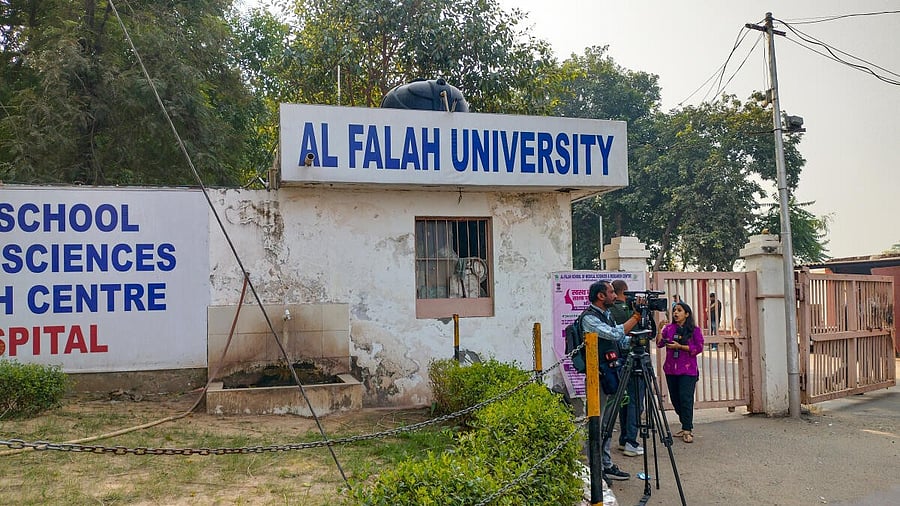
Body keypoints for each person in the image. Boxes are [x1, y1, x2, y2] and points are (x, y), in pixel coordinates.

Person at [582, 280, 643, 481]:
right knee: (597, 425)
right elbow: (614, 333)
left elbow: (620, 340)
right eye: (611, 293)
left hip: (610, 374)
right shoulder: (589, 319)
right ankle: (594, 469)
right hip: (597, 378)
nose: (615, 296)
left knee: (608, 424)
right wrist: (635, 317)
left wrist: (638, 337)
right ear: (601, 296)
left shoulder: (605, 315)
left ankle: (606, 464)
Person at [657, 301, 704, 443]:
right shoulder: (669, 328)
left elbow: (699, 347)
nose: (676, 313)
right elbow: (659, 343)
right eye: (674, 311)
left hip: (687, 370)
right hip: (671, 369)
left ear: (687, 314)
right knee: (675, 399)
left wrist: (681, 346)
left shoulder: (694, 330)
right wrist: (659, 330)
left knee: (686, 398)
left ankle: (687, 429)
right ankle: (685, 424)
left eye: (679, 310)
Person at [609, 280, 646, 458]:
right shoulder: (626, 310)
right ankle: (631, 441)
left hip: (618, 360)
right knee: (635, 401)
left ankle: (625, 439)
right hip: (631, 358)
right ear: (625, 292)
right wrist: (640, 312)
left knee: (624, 401)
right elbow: (644, 331)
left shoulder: (609, 311)